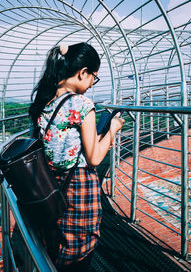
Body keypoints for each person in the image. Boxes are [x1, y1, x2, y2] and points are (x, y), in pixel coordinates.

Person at [29, 42, 125, 271]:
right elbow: (93, 158)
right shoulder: (82, 104)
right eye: (94, 77)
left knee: (55, 245)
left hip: (50, 185)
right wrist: (112, 129)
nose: (92, 83)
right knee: (79, 250)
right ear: (83, 72)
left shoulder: (44, 102)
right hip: (79, 188)